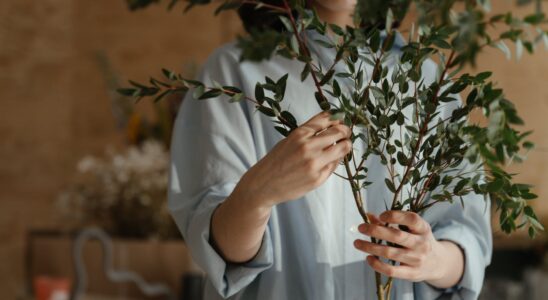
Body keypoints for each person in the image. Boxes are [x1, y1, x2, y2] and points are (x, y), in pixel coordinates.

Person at [168, 0, 492, 299]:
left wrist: (432, 259)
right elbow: (218, 251)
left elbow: (468, 242)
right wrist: (258, 193)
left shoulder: (428, 81)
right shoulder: (232, 74)